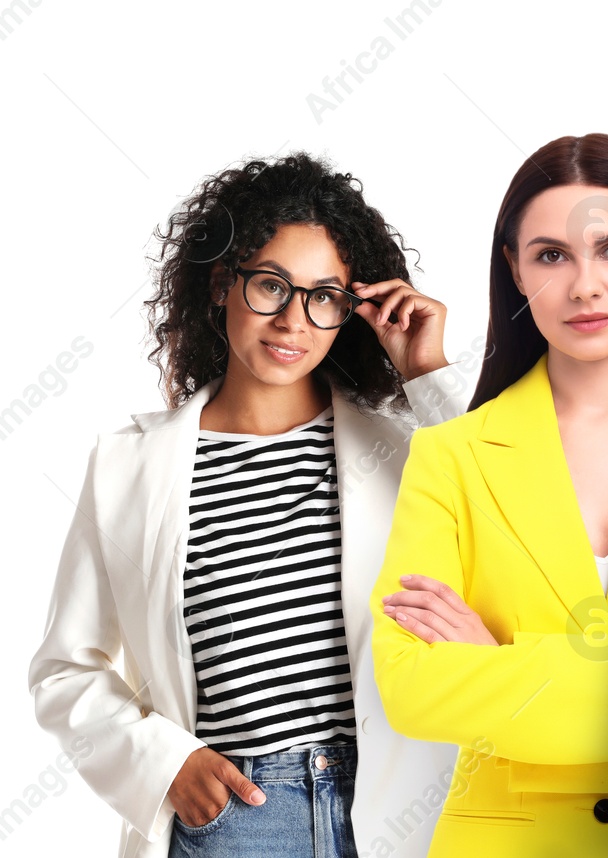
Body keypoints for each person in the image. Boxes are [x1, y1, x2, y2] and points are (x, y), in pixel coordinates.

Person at [29, 152, 469, 858]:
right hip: (236, 817)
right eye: (271, 286)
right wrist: (163, 763)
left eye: (324, 296)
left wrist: (428, 374)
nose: (294, 321)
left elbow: (521, 514)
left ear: (350, 308)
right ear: (220, 285)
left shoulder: (405, 450)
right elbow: (64, 669)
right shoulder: (128, 467)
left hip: (394, 808)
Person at [368, 133, 608, 857]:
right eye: (552, 255)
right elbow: (411, 689)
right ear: (516, 272)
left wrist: (496, 665)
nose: (585, 285)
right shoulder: (451, 455)